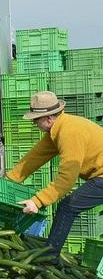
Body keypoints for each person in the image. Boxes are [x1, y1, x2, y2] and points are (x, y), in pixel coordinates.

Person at [7, 91, 103, 263]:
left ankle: (49, 258)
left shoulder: (69, 133)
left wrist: (37, 201)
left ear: (49, 118)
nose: (34, 123)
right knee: (68, 205)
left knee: (68, 206)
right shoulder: (58, 129)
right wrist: (8, 181)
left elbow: (67, 179)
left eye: (36, 120)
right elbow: (33, 158)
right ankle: (50, 256)